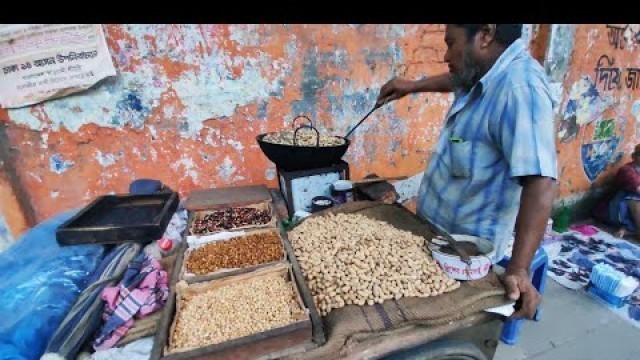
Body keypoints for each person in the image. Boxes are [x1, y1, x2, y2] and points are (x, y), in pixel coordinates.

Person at [376, 24, 557, 320]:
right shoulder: (482, 71)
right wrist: (411, 86)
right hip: (435, 235)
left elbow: (541, 181)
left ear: (485, 35)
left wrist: (519, 269)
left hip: (466, 258)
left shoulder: (521, 89)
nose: (447, 54)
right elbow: (456, 78)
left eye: (451, 43)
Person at [592, 144, 640, 239]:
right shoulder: (627, 170)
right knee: (633, 201)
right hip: (619, 205)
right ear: (634, 156)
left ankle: (631, 231)